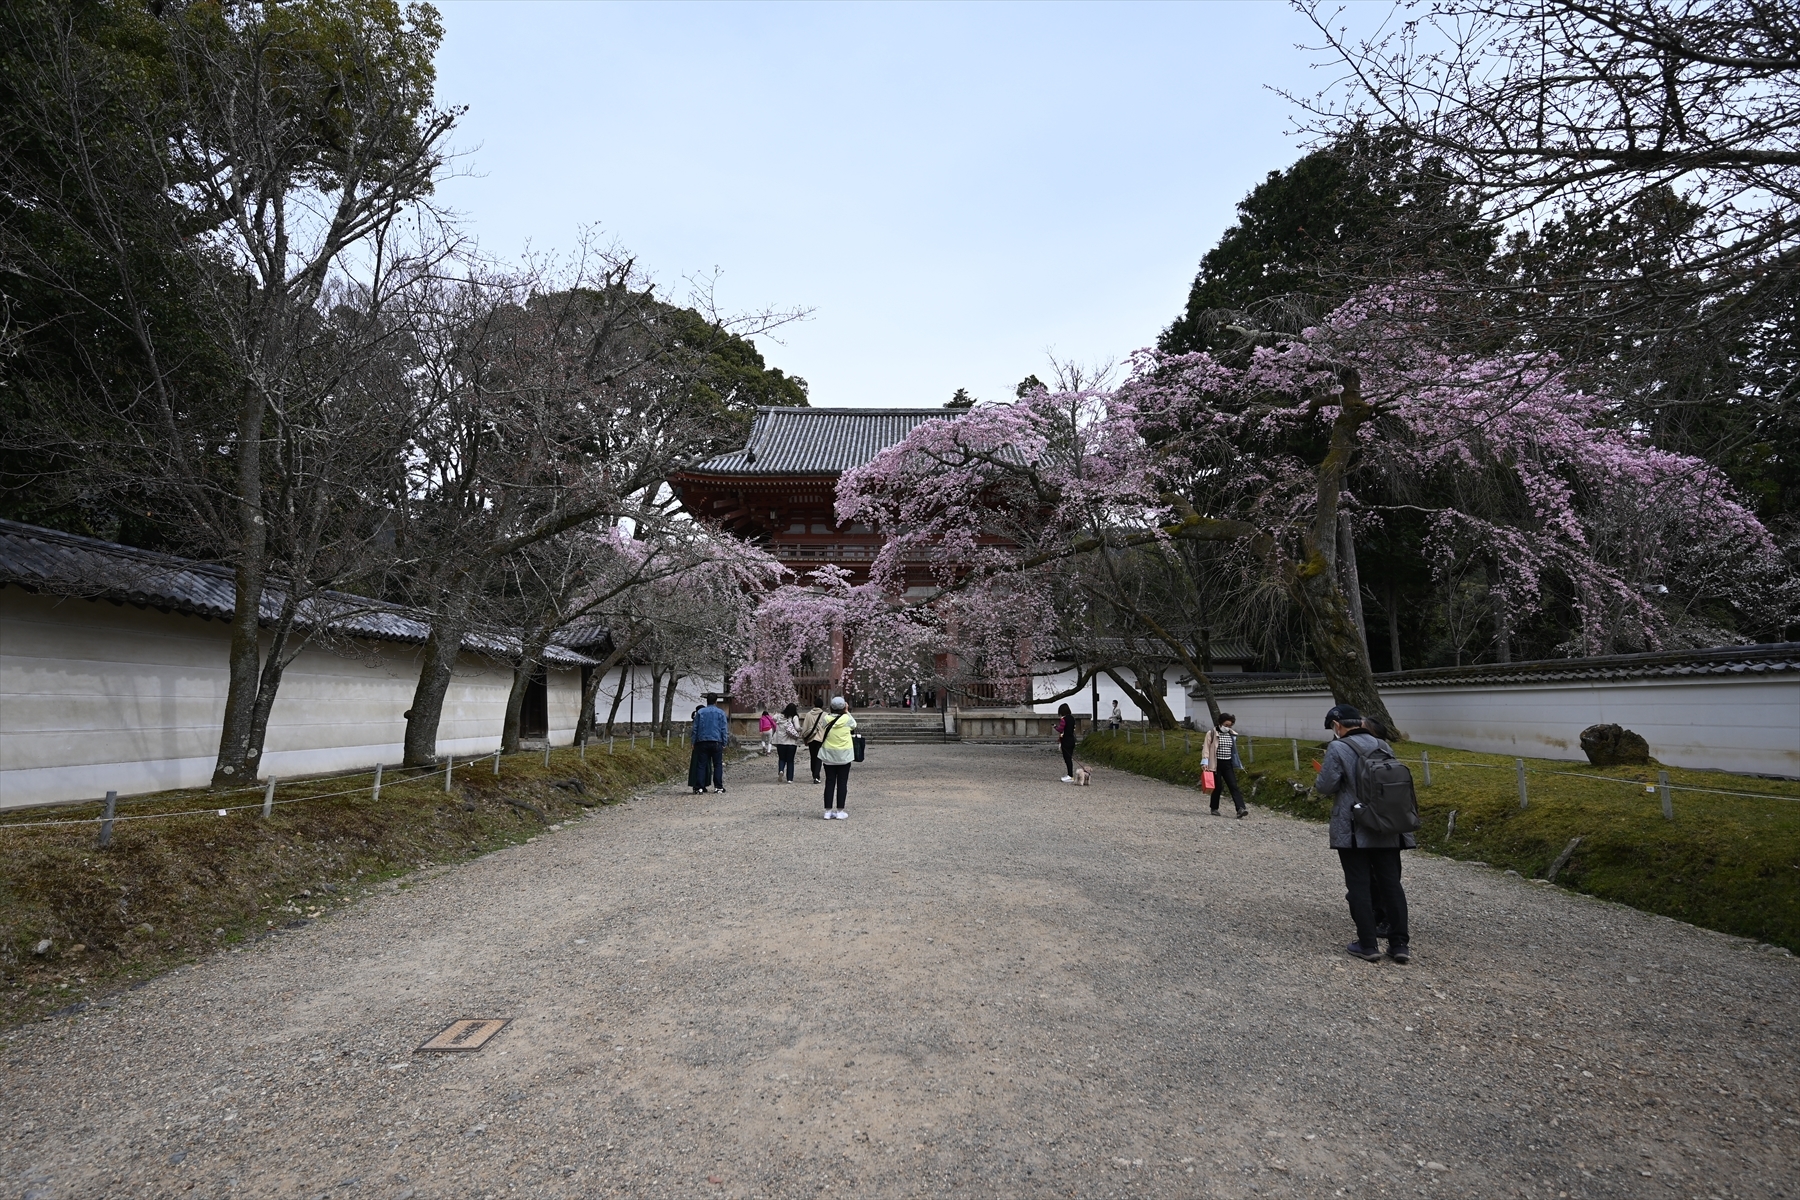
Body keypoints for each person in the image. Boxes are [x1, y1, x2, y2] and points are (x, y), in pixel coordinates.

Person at [1313, 703, 1413, 964]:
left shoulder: (1338, 747)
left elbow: (1326, 785)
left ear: (1337, 725)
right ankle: (1399, 943)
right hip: (1388, 823)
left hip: (1355, 826)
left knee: (1358, 884)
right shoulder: (1383, 745)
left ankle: (1368, 945)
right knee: (1391, 884)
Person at [817, 696, 857, 819]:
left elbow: (823, 726)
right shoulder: (846, 719)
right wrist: (847, 711)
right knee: (842, 783)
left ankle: (828, 811)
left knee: (829, 783)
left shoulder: (826, 718)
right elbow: (854, 725)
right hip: (844, 756)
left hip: (829, 755)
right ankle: (840, 811)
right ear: (843, 707)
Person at [1202, 713, 1247, 818]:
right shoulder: (1211, 733)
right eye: (1226, 725)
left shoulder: (1231, 734)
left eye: (1229, 726)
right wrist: (1205, 762)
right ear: (1221, 723)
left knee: (1233, 785)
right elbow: (1206, 748)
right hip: (1215, 763)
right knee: (1217, 787)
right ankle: (1214, 808)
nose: (1227, 727)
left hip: (1228, 764)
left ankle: (1240, 808)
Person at [691, 696, 729, 794]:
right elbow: (724, 729)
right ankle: (718, 787)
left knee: (701, 765)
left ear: (707, 701)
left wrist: (693, 742)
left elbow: (695, 728)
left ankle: (699, 787)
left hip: (702, 741)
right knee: (717, 764)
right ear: (716, 701)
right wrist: (724, 742)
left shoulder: (700, 712)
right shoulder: (721, 713)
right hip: (716, 741)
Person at [799, 695, 828, 784]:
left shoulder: (808, 714)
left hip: (811, 739)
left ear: (814, 704)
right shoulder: (825, 715)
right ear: (822, 705)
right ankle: (817, 776)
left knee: (813, 757)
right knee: (819, 757)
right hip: (820, 738)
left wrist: (805, 739)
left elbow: (805, 728)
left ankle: (814, 774)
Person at [772, 702, 801, 783]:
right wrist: (800, 730)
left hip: (781, 742)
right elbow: (798, 727)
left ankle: (781, 770)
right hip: (791, 743)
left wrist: (777, 712)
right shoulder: (794, 717)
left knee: (781, 758)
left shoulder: (779, 717)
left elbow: (773, 717)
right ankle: (789, 779)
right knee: (790, 761)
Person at [1055, 703, 1079, 782]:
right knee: (1070, 758)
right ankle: (1070, 775)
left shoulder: (1063, 719)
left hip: (1065, 741)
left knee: (1067, 759)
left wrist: (1055, 727)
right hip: (1072, 740)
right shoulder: (1072, 718)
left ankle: (1070, 775)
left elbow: (1061, 729)